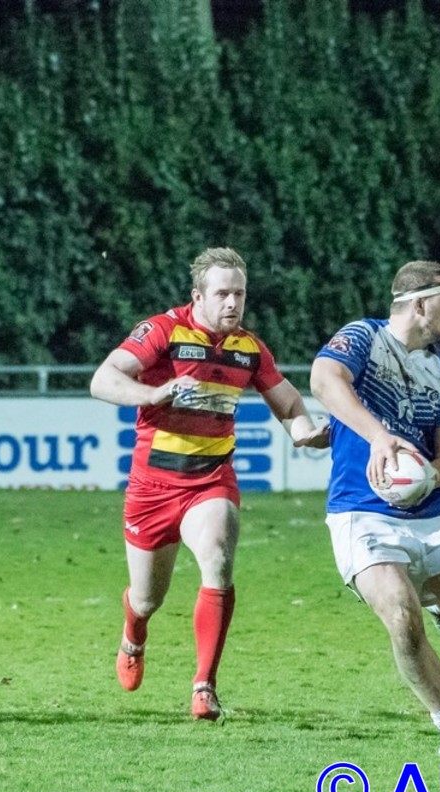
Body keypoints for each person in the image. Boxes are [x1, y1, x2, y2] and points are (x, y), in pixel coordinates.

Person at [90, 247, 328, 721]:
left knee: (218, 557)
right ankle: (134, 632)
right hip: (152, 487)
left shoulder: (249, 349)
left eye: (239, 293)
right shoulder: (163, 331)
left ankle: (204, 687)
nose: (233, 303)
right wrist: (153, 392)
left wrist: (304, 431)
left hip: (210, 480)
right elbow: (103, 380)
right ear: (197, 296)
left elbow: (287, 401)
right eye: (222, 294)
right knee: (147, 597)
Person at [310, 260, 440, 755]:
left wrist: (428, 476)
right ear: (420, 304)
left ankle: (437, 603)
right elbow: (325, 380)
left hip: (429, 514)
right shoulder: (364, 337)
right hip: (361, 511)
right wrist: (379, 437)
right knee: (400, 613)